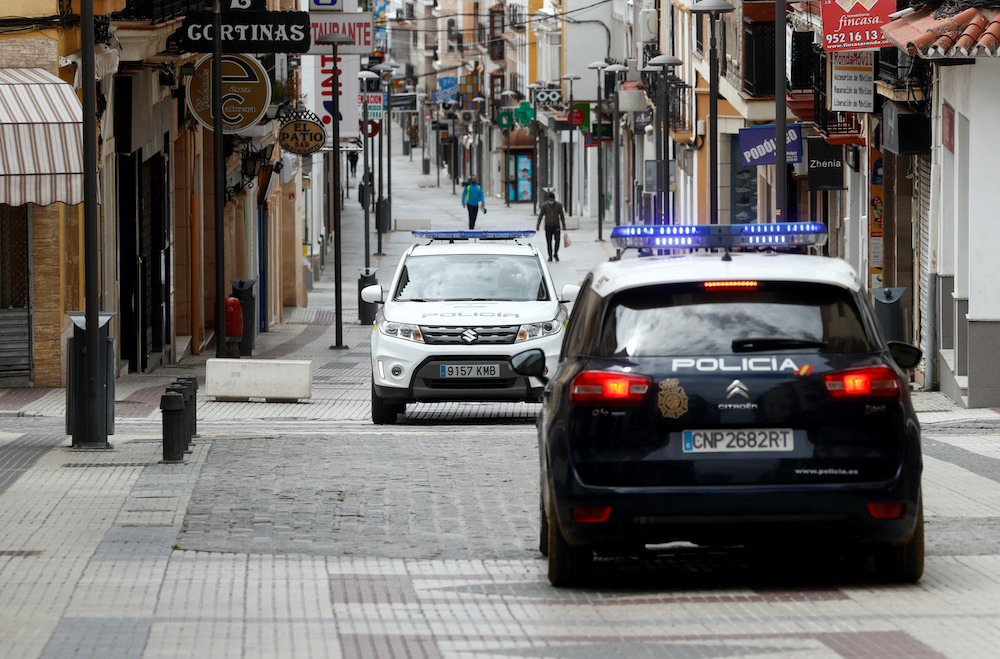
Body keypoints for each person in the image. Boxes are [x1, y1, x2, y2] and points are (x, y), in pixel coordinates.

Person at [536, 191, 567, 262]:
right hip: (548, 226)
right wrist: (538, 225)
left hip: (556, 226)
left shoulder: (558, 205)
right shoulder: (544, 206)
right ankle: (550, 256)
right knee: (549, 241)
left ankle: (555, 253)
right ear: (548, 199)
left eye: (552, 200)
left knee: (557, 240)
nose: (551, 201)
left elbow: (562, 216)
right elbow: (540, 216)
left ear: (554, 199)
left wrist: (564, 225)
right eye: (550, 200)